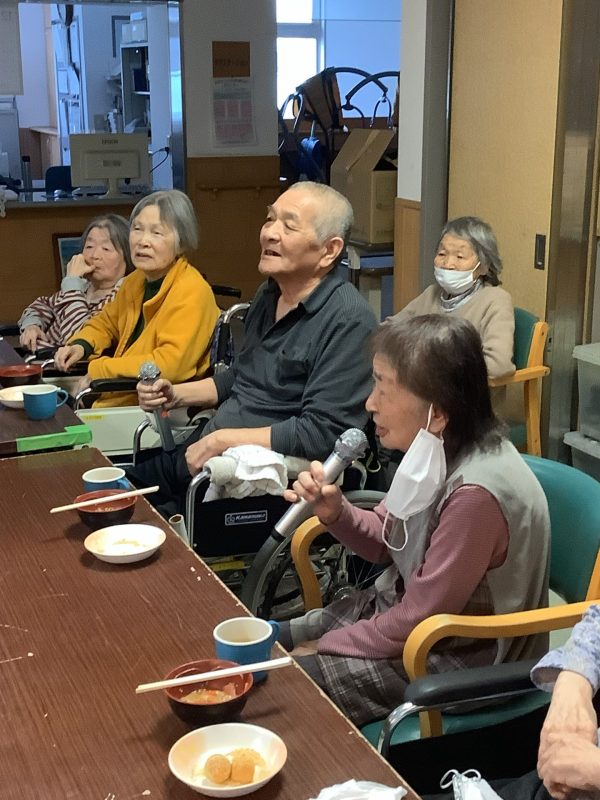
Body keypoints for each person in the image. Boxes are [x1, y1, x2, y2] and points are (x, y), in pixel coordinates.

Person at [279, 314, 550, 727]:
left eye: (383, 388)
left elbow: (419, 620)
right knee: (274, 638)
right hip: (410, 619)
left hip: (456, 653)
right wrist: (337, 512)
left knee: (287, 684)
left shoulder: (475, 495)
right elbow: (386, 542)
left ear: (436, 413)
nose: (370, 403)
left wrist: (325, 644)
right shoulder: (433, 448)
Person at [127, 181, 378, 518]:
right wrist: (176, 394)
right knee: (106, 491)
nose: (269, 233)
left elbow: (321, 433)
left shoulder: (348, 319)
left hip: (248, 483)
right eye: (270, 219)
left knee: (127, 520)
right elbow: (243, 376)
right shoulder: (269, 293)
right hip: (205, 452)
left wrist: (223, 440)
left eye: (288, 226)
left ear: (329, 250)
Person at [53, 189, 220, 407]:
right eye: (137, 229)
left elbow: (170, 365)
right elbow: (105, 323)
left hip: (155, 406)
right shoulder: (136, 280)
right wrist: (80, 345)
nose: (143, 241)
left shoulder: (192, 291)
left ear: (181, 242)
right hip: (117, 394)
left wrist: (100, 369)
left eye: (156, 233)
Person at [395, 216, 515, 380]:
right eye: (442, 254)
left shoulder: (495, 300)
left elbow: (498, 365)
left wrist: (432, 363)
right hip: (423, 387)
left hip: (465, 394)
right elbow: (391, 329)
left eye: (460, 257)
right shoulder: (432, 293)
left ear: (484, 266)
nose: (448, 264)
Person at [18, 214, 132, 352]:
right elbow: (42, 305)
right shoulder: (85, 286)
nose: (94, 255)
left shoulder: (123, 295)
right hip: (35, 357)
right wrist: (32, 326)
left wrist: (72, 283)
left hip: (65, 363)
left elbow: (78, 340)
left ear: (128, 256)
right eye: (89, 246)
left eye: (106, 249)